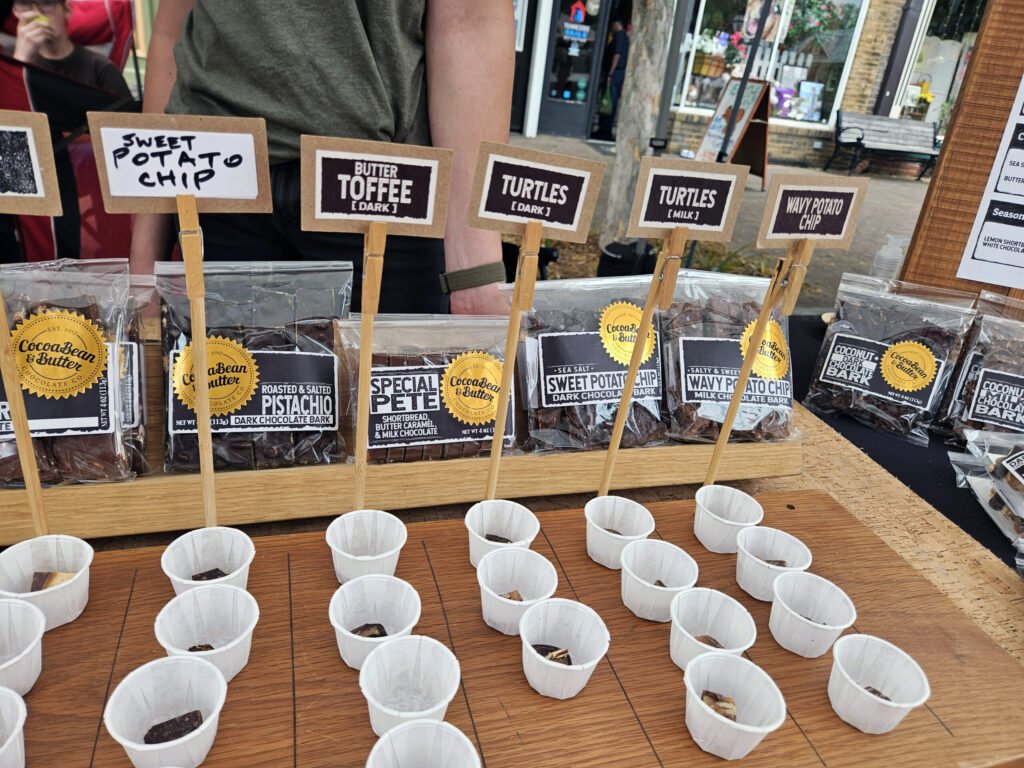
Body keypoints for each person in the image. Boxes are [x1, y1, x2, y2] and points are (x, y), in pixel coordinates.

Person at [133, 1, 514, 315]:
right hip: (219, 173)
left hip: (382, 186)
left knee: (380, 397)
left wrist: (475, 271)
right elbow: (174, 27)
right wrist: (143, 264)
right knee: (224, 396)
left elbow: (472, 18)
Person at [11, 0, 131, 98]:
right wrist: (20, 61)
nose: (36, 13)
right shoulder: (11, 65)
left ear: (67, 9)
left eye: (46, 3)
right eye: (24, 3)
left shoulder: (101, 70)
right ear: (15, 11)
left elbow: (126, 123)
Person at [605, 19, 629, 128]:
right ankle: (607, 126)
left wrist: (611, 72)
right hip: (622, 71)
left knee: (610, 99)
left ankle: (606, 126)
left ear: (616, 24)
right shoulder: (625, 37)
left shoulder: (619, 36)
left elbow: (617, 55)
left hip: (617, 71)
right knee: (613, 99)